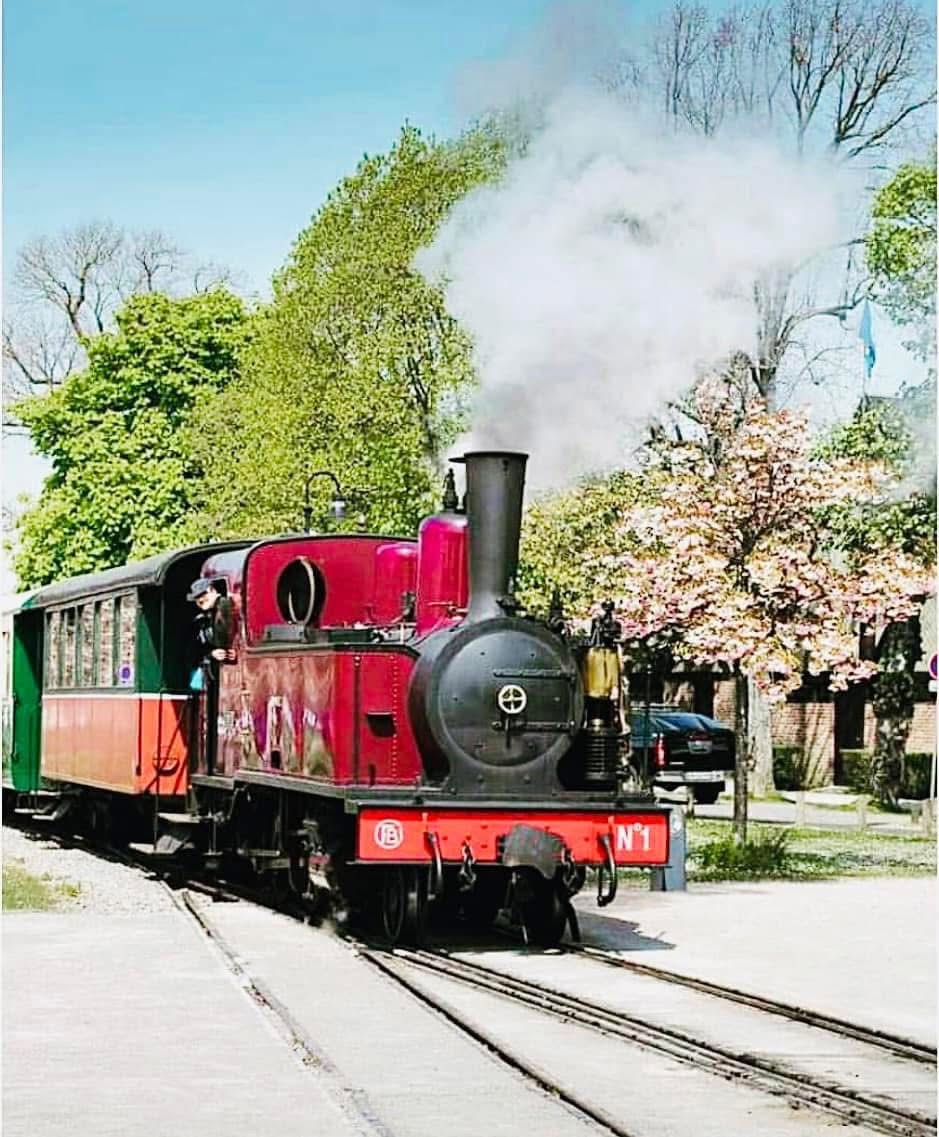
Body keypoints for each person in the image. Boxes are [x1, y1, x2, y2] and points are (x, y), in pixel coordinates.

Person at [187, 578, 236, 664]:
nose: (200, 600)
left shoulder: (226, 605)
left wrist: (236, 650)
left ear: (212, 590)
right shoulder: (202, 619)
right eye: (196, 598)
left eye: (203, 594)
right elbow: (196, 647)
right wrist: (211, 653)